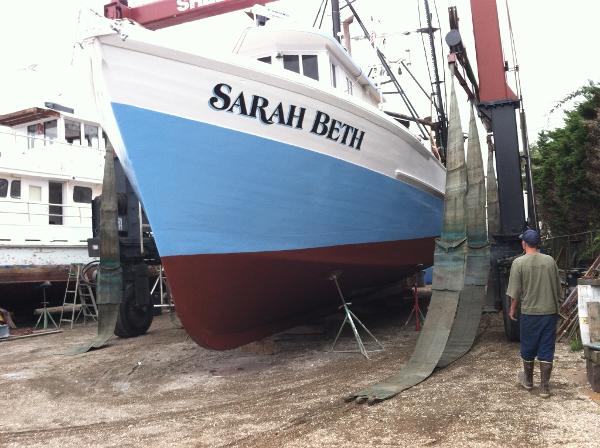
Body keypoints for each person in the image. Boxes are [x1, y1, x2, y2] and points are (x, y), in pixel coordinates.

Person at [506, 229, 561, 398]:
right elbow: (558, 289)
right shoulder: (550, 261)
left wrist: (512, 308)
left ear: (524, 244)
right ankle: (544, 388)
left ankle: (528, 382)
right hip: (549, 311)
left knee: (528, 346)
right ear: (538, 244)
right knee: (546, 347)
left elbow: (515, 291)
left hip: (530, 313)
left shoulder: (518, 263)